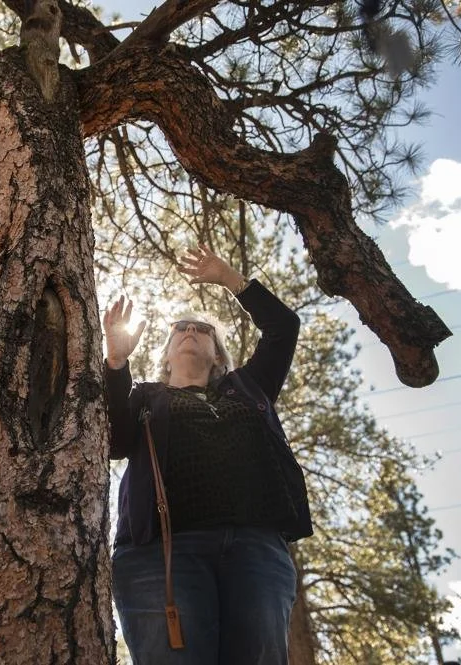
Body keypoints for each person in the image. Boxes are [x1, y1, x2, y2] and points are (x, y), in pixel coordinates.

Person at [104, 247, 310, 665]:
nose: (190, 332)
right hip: (160, 552)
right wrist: (116, 362)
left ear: (217, 354)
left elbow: (284, 327)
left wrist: (231, 279)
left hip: (256, 550)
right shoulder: (145, 396)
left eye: (202, 329)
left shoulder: (249, 387)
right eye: (180, 328)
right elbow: (113, 441)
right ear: (166, 354)